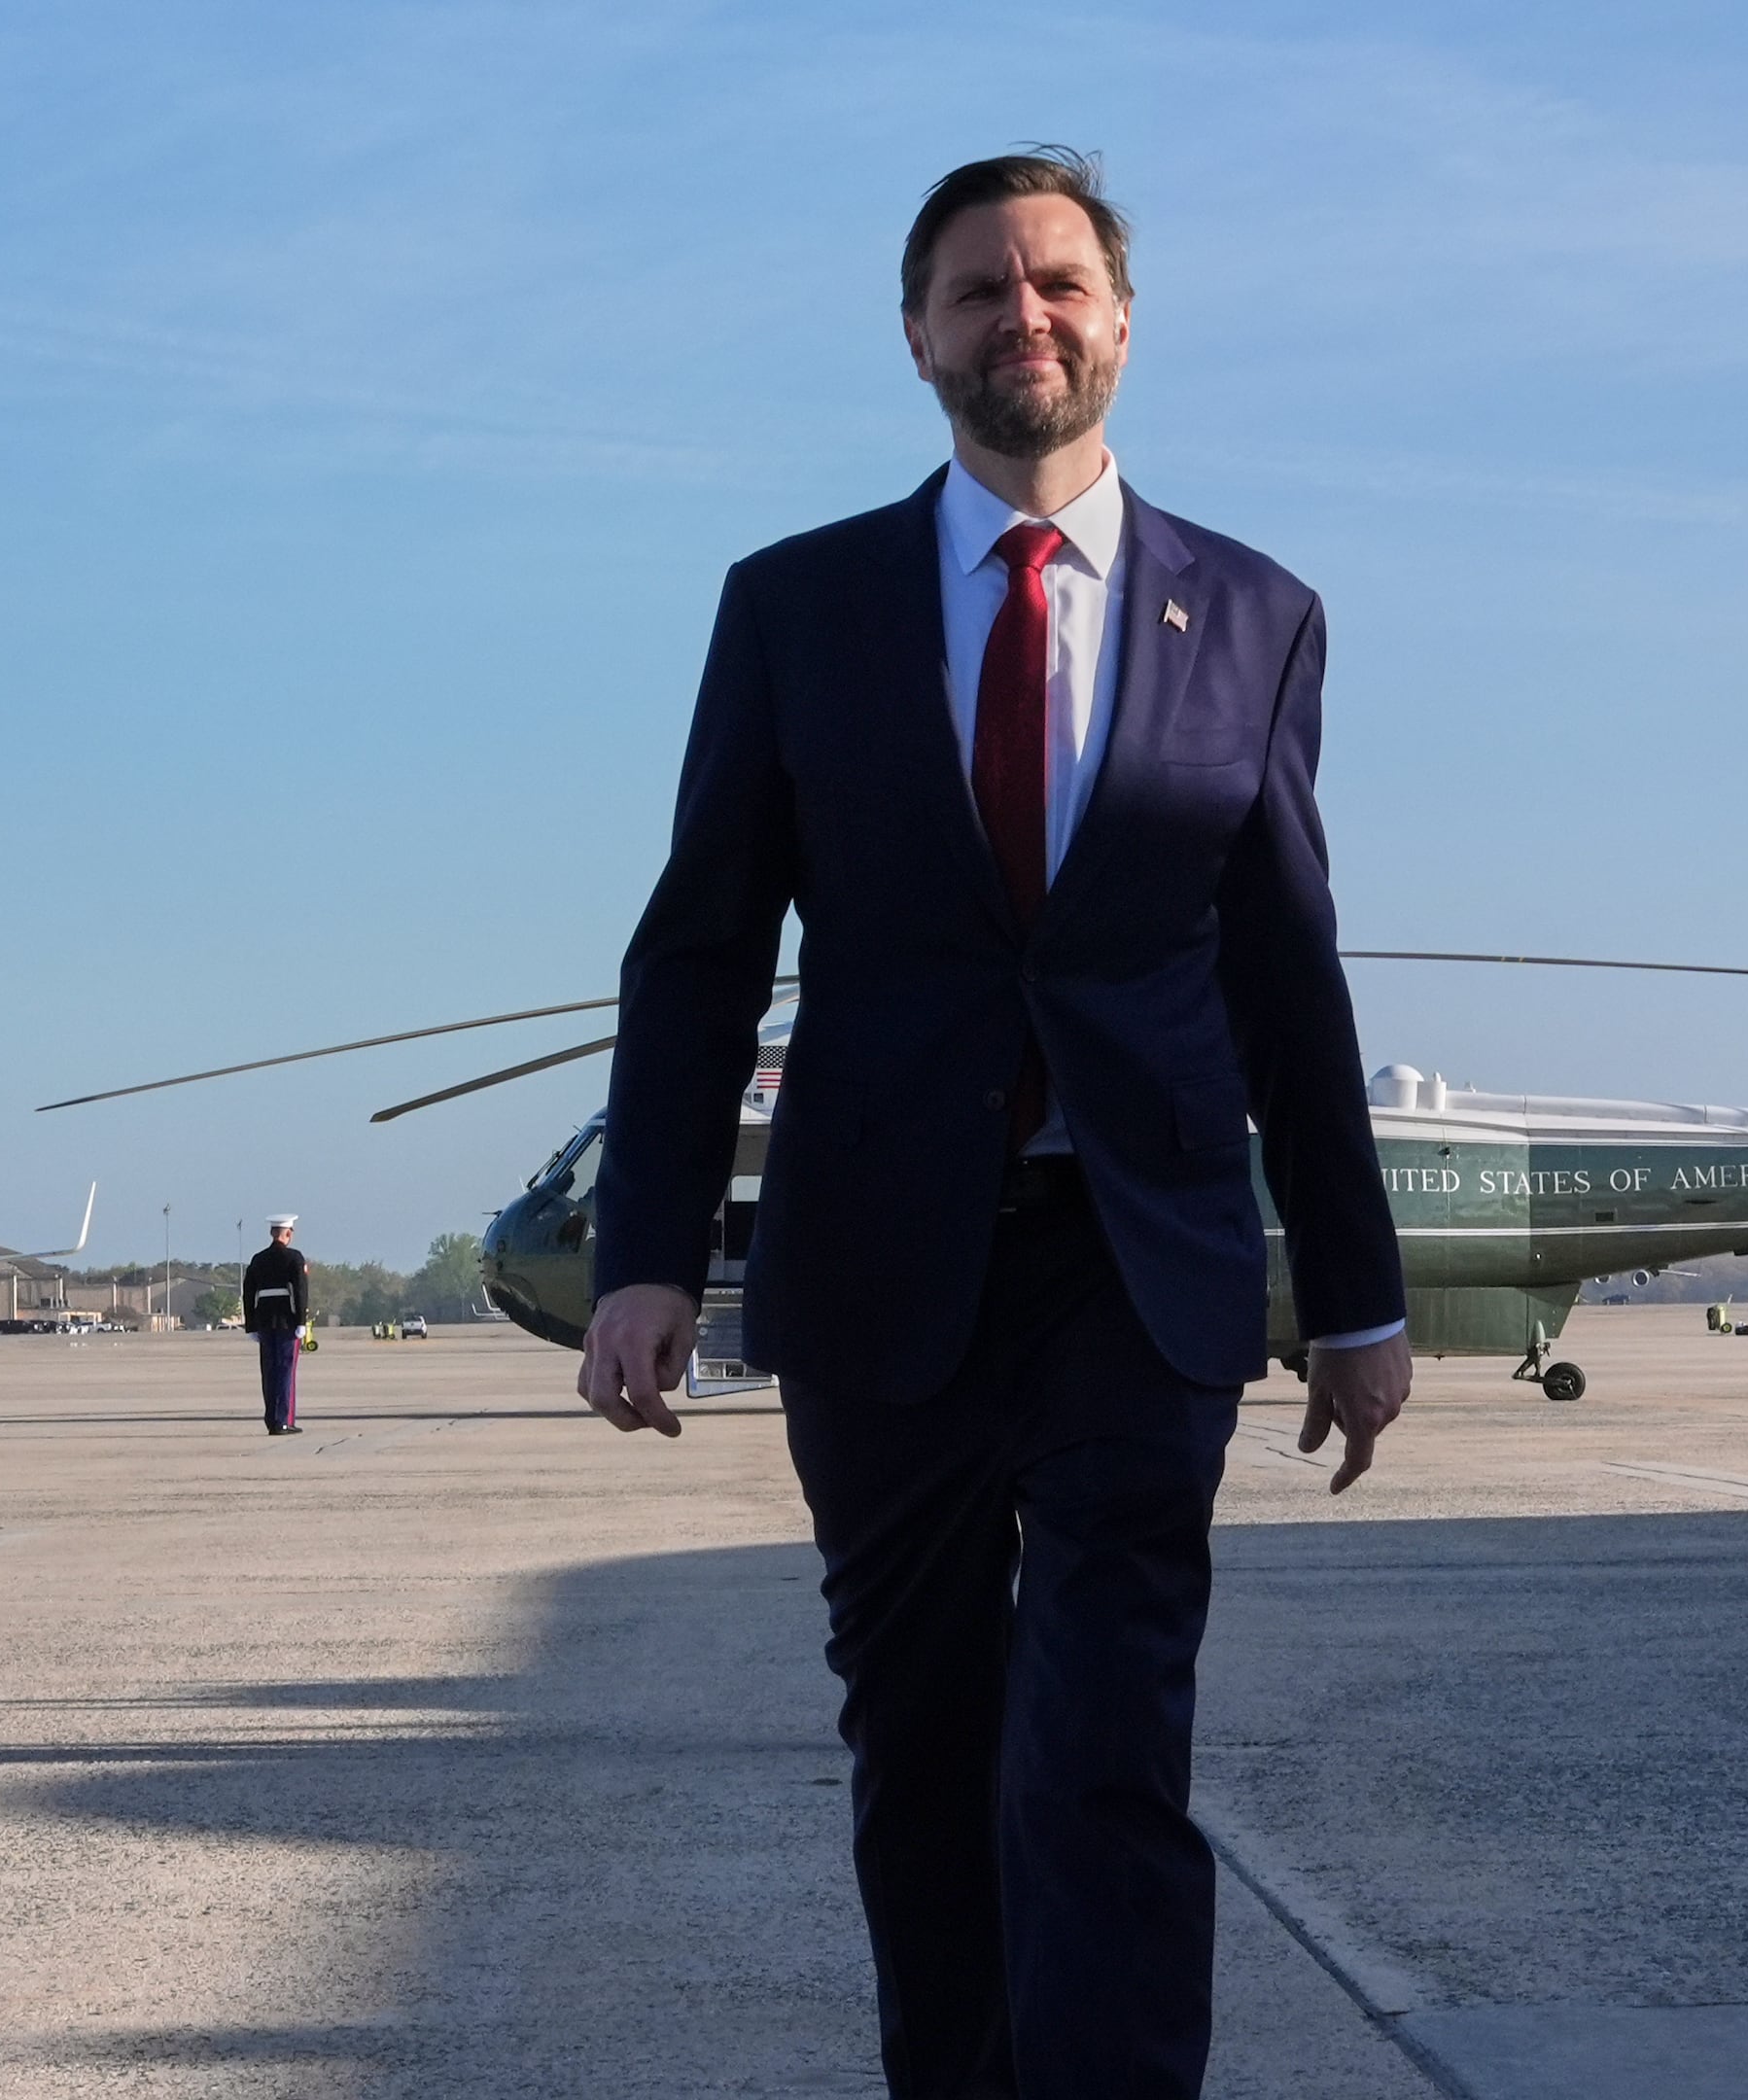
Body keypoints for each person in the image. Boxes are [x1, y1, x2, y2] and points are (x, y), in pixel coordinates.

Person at [577, 150, 1413, 2098]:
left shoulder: (1259, 615)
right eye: (977, 290)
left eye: (1055, 283)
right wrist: (642, 1260)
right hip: (880, 1264)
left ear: (1120, 321)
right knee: (928, 1753)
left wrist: (1357, 1301)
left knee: (1108, 1740)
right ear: (915, 337)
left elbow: (1290, 975)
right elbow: (700, 953)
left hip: (1142, 1263)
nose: (1019, 316)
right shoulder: (795, 608)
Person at [243, 1215, 311, 1436]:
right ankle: (282, 1420)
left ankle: (272, 1420)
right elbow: (300, 1291)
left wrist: (251, 1324)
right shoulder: (294, 1258)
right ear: (288, 1233)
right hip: (286, 1321)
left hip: (263, 1320)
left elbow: (248, 1294)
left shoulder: (258, 1259)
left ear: (272, 1233)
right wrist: (301, 1321)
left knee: (269, 1371)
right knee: (285, 1371)